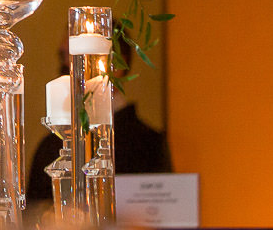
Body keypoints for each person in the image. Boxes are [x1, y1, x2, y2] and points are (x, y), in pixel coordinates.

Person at [25, 40, 171, 204]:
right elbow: (35, 210)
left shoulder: (148, 144)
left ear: (115, 66)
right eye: (63, 57)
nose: (66, 66)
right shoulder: (51, 147)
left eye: (76, 58)